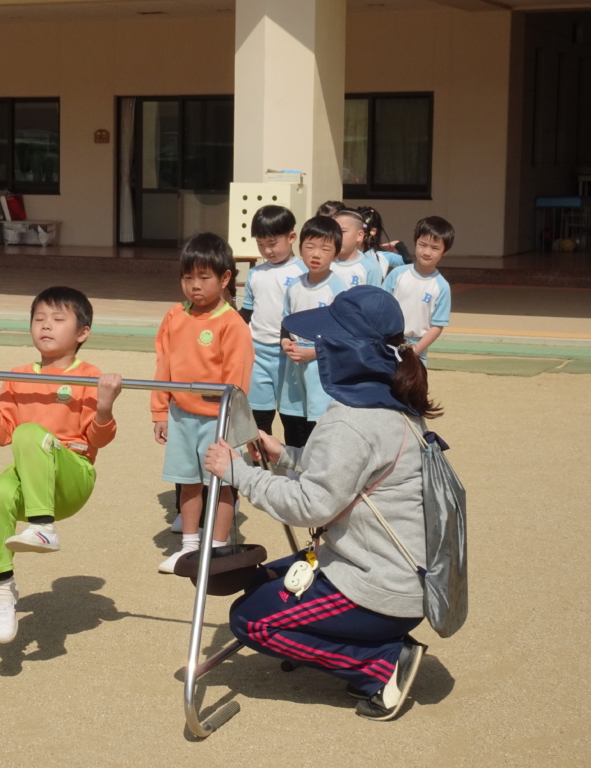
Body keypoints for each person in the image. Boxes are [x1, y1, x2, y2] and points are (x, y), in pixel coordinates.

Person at [204, 285, 438, 722]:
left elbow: (311, 506)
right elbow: (350, 475)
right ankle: (372, 643)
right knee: (260, 581)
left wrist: (238, 473)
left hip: (380, 587)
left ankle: (379, 664)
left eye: (327, 341)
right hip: (405, 577)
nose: (320, 349)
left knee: (251, 620)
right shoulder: (392, 403)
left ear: (349, 351)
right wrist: (285, 455)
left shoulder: (352, 421)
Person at [0, 286, 122, 644]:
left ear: (82, 332)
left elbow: (98, 440)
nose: (46, 325)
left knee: (30, 433)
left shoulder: (89, 374)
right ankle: (3, 590)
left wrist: (105, 407)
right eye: (39, 319)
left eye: (57, 319)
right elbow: (2, 435)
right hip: (31, 476)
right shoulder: (18, 375)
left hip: (71, 476)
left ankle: (42, 526)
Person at [153, 233, 252, 574]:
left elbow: (237, 376)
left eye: (204, 277)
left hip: (219, 419)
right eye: (187, 277)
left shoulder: (231, 323)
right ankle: (189, 547)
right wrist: (159, 411)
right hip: (181, 415)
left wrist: (227, 413)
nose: (194, 285)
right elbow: (163, 365)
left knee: (221, 483)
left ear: (225, 278)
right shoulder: (174, 315)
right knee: (188, 481)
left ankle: (218, 547)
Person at [278, 216, 348, 447]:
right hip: (294, 365)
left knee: (318, 424)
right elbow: (286, 321)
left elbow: (344, 336)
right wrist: (285, 342)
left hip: (322, 366)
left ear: (336, 253)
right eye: (310, 247)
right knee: (292, 420)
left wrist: (314, 352)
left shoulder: (338, 289)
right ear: (300, 249)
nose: (316, 254)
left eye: (325, 249)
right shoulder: (294, 285)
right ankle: (294, 468)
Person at [237, 205, 306, 437]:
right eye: (260, 244)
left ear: (292, 237)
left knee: (293, 420)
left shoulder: (303, 272)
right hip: (258, 354)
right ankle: (261, 460)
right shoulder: (255, 273)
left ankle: (295, 460)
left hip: (291, 356)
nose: (267, 250)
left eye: (272, 243)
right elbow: (246, 312)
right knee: (259, 419)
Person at [382, 216, 454, 364]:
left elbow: (437, 326)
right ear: (415, 243)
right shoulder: (397, 274)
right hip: (387, 343)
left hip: (417, 349)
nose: (427, 252)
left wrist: (414, 352)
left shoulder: (441, 286)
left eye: (435, 248)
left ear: (445, 251)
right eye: (423, 245)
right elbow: (380, 306)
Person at [330, 209, 384, 288]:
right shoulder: (325, 262)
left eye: (343, 231)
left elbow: (374, 295)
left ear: (359, 235)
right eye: (333, 232)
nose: (336, 236)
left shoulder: (370, 268)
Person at [358, 206, 408, 278]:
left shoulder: (381, 256)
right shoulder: (347, 253)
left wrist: (398, 244)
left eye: (363, 231)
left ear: (373, 231)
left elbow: (406, 260)